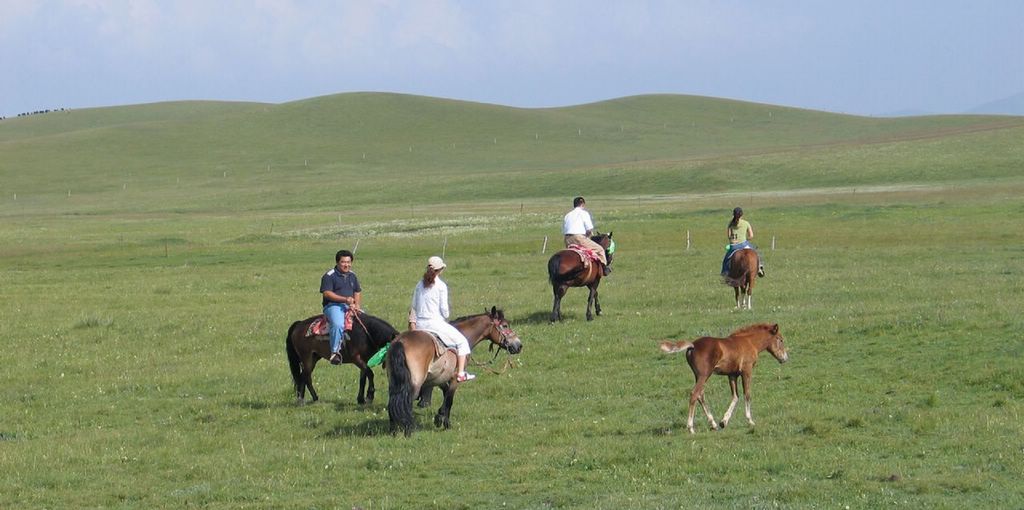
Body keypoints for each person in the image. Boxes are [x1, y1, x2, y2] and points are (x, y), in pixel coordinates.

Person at [407, 256, 476, 382]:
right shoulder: (441, 286)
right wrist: (446, 313)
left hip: (419, 324)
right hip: (434, 323)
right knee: (462, 342)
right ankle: (461, 373)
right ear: (440, 270)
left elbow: (414, 307)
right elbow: (445, 312)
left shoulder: (419, 284)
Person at [320, 249, 362, 365]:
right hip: (333, 306)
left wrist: (357, 305)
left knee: (365, 320)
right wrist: (345, 299)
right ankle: (335, 352)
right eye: (343, 262)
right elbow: (327, 293)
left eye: (348, 262)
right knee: (338, 323)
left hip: (350, 306)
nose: (346, 265)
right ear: (338, 262)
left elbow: (357, 291)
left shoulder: (352, 275)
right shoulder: (329, 276)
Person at [562, 196, 610, 275]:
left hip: (567, 239)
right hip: (578, 238)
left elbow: (564, 230)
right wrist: (587, 236)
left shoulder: (567, 215)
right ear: (583, 204)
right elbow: (589, 229)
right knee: (600, 249)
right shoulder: (583, 213)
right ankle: (604, 269)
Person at [721, 207, 765, 277]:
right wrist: (746, 239)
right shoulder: (746, 223)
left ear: (734, 215)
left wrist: (734, 241)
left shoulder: (730, 224)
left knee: (726, 259)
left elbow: (729, 236)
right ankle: (759, 267)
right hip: (744, 244)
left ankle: (725, 272)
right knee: (756, 252)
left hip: (734, 245)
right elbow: (751, 235)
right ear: (742, 215)